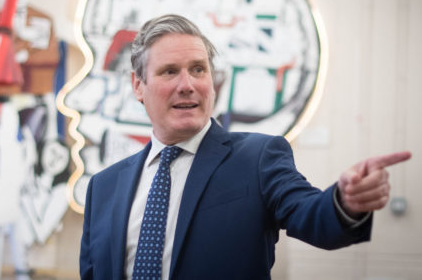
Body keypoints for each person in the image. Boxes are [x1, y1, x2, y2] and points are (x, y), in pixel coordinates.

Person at [79, 14, 411, 280]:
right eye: (169, 72)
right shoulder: (104, 187)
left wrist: (346, 201)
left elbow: (312, 215)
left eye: (198, 70)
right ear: (139, 86)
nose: (188, 85)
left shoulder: (258, 158)